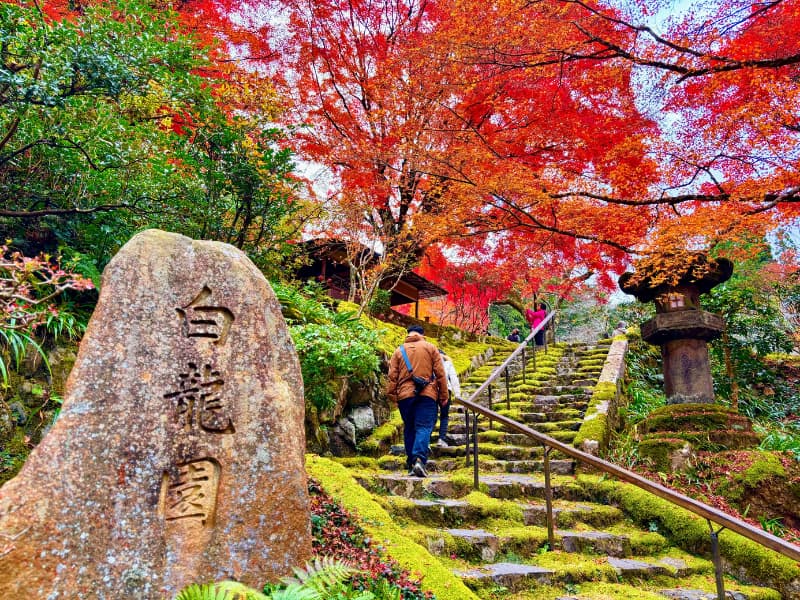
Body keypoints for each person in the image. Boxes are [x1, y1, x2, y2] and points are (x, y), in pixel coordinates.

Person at [387, 325, 448, 477]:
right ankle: (419, 460)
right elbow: (441, 374)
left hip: (405, 397)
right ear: (422, 334)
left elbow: (392, 377)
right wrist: (443, 396)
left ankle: (411, 464)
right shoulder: (430, 348)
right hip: (427, 395)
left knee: (409, 428)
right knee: (424, 426)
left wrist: (393, 397)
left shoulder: (398, 351)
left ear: (408, 334)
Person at [436, 349, 461, 448]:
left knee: (432, 416)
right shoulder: (447, 363)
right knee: (444, 415)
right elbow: (453, 378)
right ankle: (441, 439)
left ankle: (426, 441)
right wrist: (457, 394)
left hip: (431, 391)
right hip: (446, 391)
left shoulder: (430, 361)